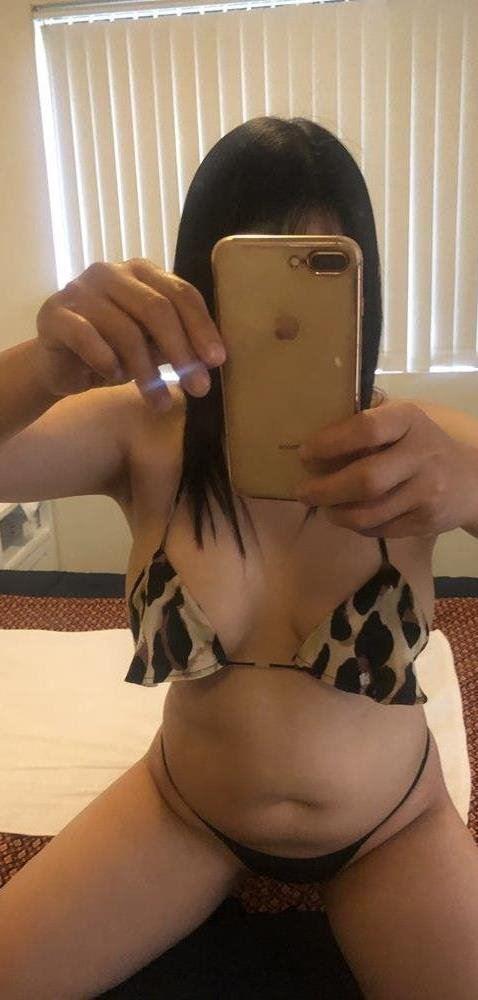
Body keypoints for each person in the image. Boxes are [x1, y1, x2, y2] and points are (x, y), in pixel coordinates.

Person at [1, 116, 478, 999]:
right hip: (184, 814)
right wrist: (44, 365)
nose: (283, 322)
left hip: (393, 829)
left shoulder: (420, 450)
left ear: (363, 286)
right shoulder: (140, 431)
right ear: (198, 285)